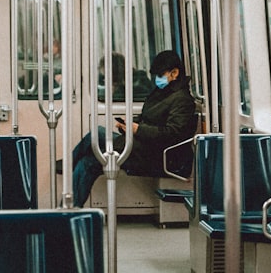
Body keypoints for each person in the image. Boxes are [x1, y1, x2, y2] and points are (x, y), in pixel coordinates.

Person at [69, 50, 197, 206]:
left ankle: (71, 209)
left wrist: (137, 129)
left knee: (89, 161)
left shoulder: (182, 100)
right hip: (146, 146)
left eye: (160, 75)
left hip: (161, 156)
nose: (157, 79)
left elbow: (172, 134)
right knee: (95, 135)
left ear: (174, 73)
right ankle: (69, 164)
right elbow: (149, 119)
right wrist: (128, 125)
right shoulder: (163, 93)